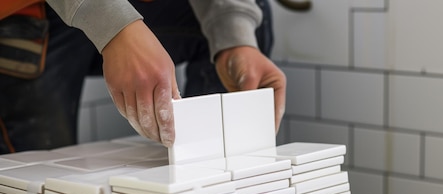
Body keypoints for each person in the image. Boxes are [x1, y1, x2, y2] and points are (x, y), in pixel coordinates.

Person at [0, 0, 286, 154]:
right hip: (29, 13)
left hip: (133, 6)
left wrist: (233, 33)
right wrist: (115, 26)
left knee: (255, 11)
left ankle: (207, 168)